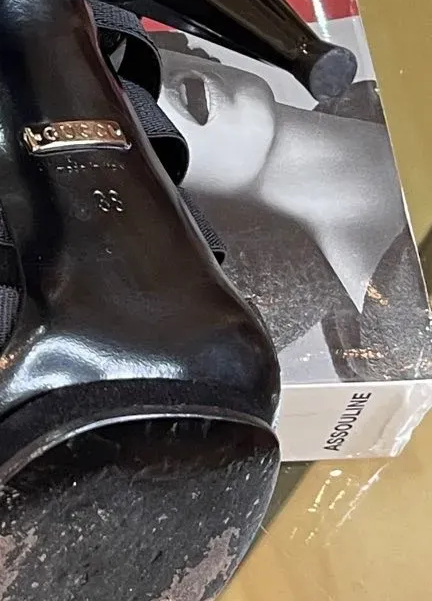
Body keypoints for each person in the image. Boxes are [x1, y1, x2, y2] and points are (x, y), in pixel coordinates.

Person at [155, 35, 431, 382]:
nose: (159, 94)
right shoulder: (408, 341)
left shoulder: (396, 66)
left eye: (121, 60)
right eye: (133, 125)